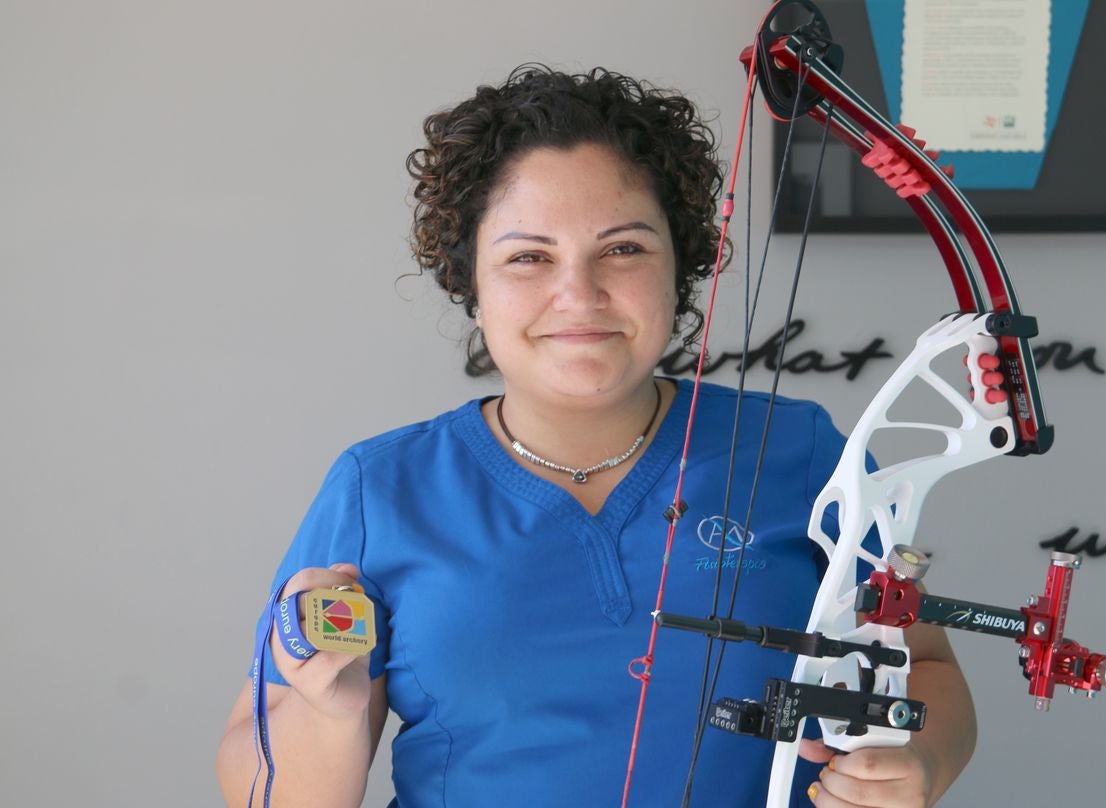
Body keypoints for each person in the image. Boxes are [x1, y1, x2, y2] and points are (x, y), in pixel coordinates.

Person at [216, 65, 976, 808]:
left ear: (681, 266)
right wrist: (330, 711)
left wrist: (922, 760)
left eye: (623, 249)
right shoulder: (378, 489)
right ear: (469, 284)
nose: (578, 294)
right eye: (528, 258)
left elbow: (928, 668)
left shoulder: (803, 452)